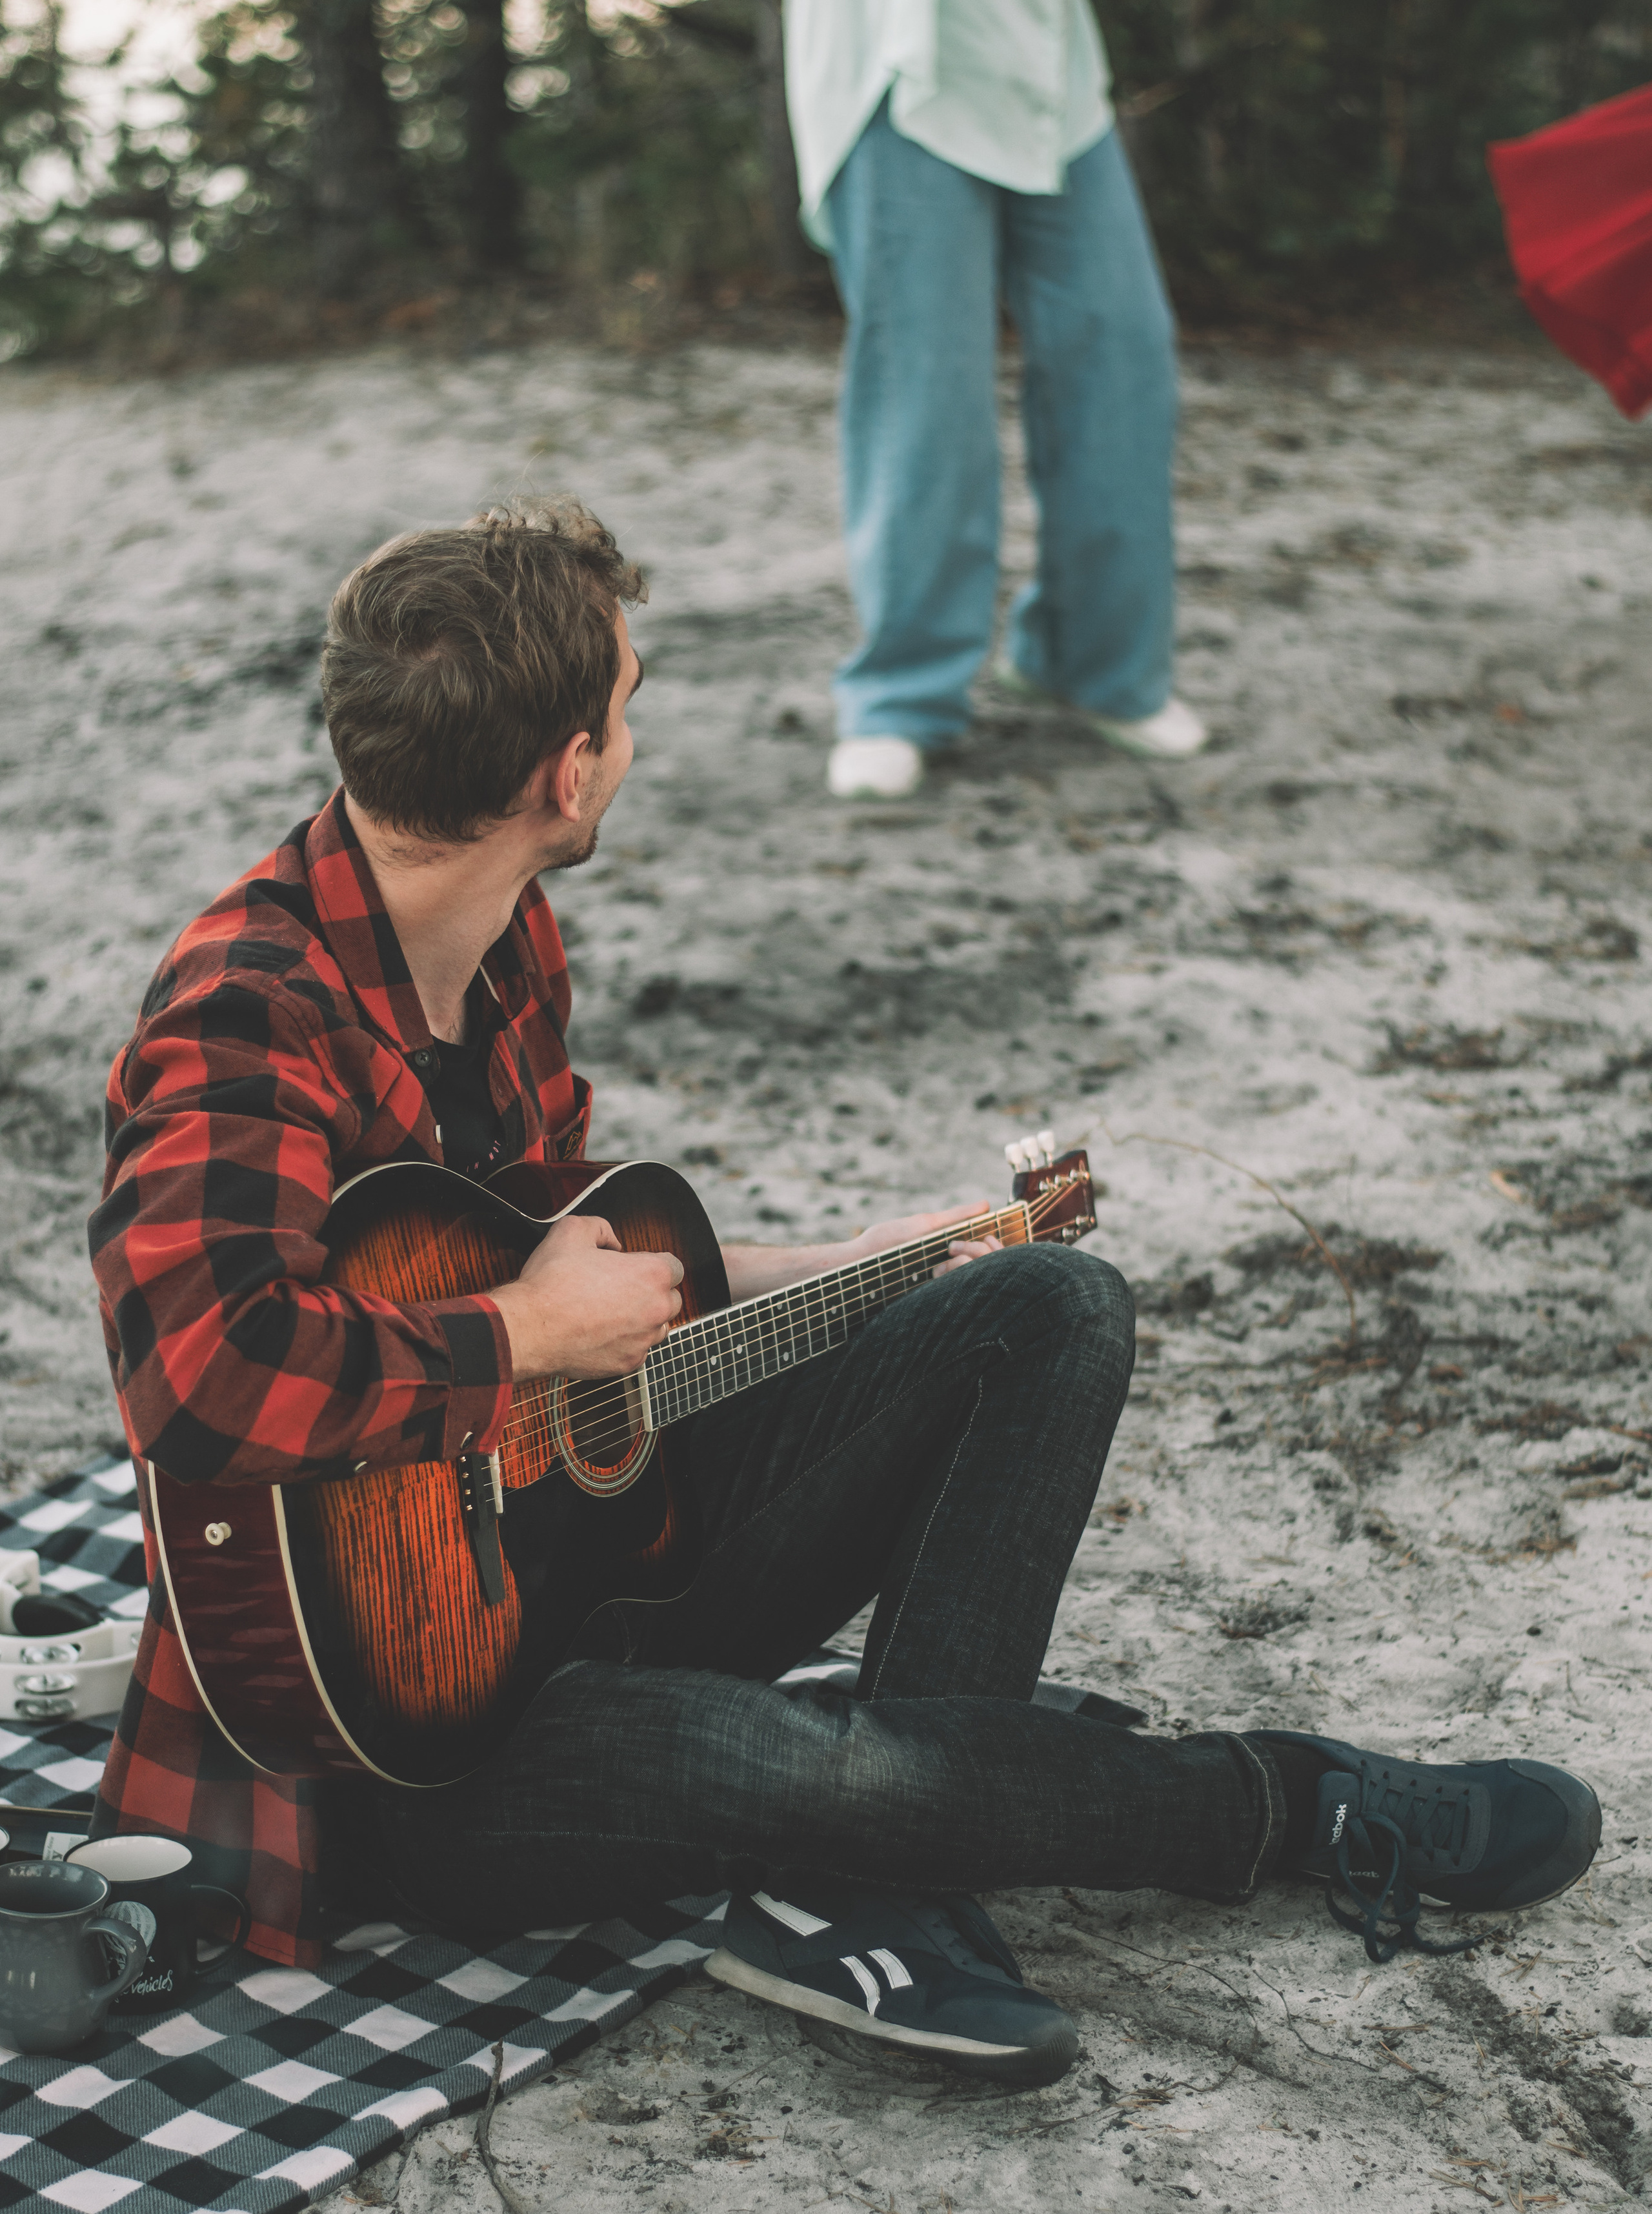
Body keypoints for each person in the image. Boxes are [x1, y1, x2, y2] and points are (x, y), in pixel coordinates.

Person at [88, 501, 1600, 2088]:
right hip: (395, 1751)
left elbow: (578, 1271)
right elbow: (196, 1376)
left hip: (596, 1565)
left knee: (1050, 1302)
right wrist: (525, 1333)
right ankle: (1305, 1805)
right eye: (628, 698)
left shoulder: (503, 935)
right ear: (567, 773)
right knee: (809, 1764)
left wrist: (875, 1261)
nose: (630, 728)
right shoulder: (244, 1012)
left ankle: (890, 1881)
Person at [784, 0, 1207, 801]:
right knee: (927, 390)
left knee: (1123, 355)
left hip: (1052, 79)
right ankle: (901, 697)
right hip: (898, 71)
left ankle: (1092, 661)